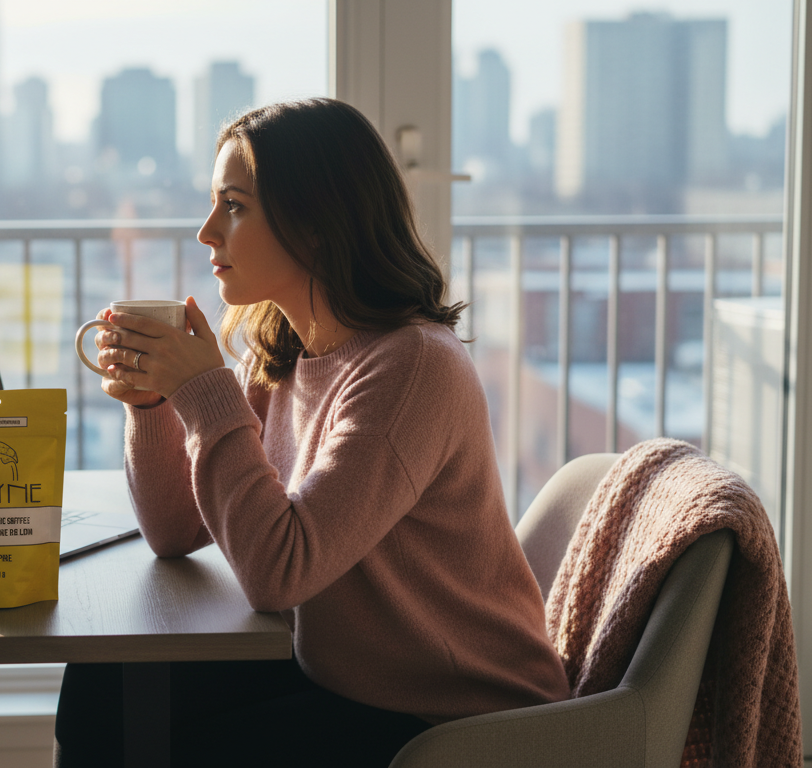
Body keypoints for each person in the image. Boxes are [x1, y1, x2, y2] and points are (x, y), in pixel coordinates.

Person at [54, 98, 569, 767]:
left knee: (166, 742)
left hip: (453, 714)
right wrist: (154, 405)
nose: (208, 232)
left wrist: (205, 393)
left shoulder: (412, 368)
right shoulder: (287, 353)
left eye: (234, 206)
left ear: (317, 222)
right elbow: (175, 532)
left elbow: (278, 573)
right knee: (106, 682)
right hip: (343, 676)